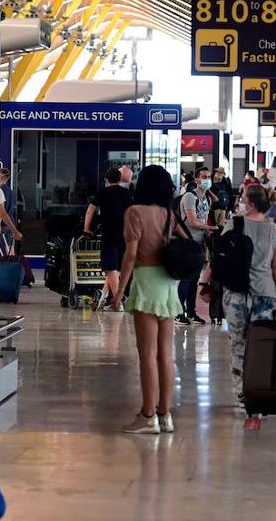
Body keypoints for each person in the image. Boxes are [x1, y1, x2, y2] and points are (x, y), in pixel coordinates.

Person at [200, 184, 276, 402]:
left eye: (242, 198)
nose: (239, 201)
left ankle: (242, 390)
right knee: (259, 343)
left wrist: (204, 283)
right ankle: (258, 387)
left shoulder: (234, 224)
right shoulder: (275, 230)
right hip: (266, 295)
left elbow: (218, 256)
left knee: (238, 342)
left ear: (250, 204)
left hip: (235, 293)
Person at [111, 165, 184, 435]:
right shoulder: (168, 214)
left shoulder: (134, 213)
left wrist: (119, 291)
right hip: (168, 284)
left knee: (146, 355)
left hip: (146, 282)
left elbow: (130, 255)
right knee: (166, 354)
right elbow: (184, 242)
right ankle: (166, 415)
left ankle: (147, 414)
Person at [85, 166, 133, 311]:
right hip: (125, 236)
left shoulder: (102, 193)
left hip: (109, 235)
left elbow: (90, 210)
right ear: (120, 179)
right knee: (116, 269)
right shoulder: (127, 193)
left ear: (106, 179)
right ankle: (103, 296)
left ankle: (118, 302)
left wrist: (86, 228)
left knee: (110, 268)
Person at [176, 166, 216, 325]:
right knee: (186, 278)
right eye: (204, 177)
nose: (207, 180)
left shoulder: (206, 198)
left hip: (199, 243)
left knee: (194, 279)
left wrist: (207, 230)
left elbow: (204, 219)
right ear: (197, 180)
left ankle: (191, 312)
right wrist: (210, 228)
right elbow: (192, 221)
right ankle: (179, 313)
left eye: (209, 177)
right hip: (188, 242)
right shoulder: (189, 197)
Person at [0, 167, 22, 252]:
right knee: (10, 249)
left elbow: (2, 211)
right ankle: (10, 263)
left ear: (2, 177)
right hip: (10, 223)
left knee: (2, 250)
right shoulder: (10, 191)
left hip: (2, 225)